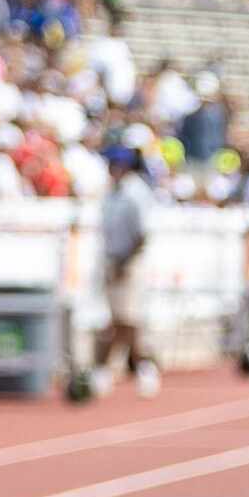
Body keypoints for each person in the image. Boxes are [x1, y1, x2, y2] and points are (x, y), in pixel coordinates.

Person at [96, 145, 162, 397]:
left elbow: (142, 234)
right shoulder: (111, 193)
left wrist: (125, 262)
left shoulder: (136, 193)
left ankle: (142, 366)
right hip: (113, 259)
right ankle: (115, 368)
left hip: (130, 262)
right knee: (116, 318)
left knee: (129, 318)